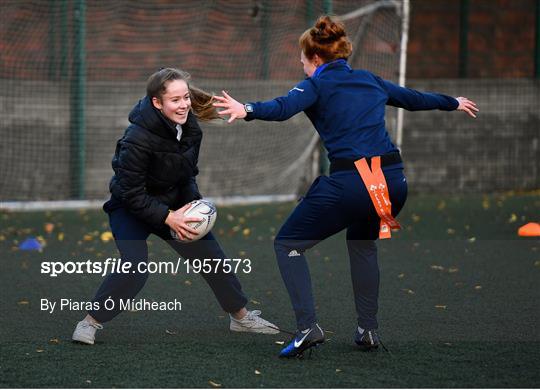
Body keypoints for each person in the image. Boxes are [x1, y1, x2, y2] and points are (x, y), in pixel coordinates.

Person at [213, 16, 478, 358]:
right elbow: (413, 98)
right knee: (362, 245)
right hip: (393, 183)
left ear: (317, 60)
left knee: (288, 244)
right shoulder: (370, 80)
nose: (301, 64)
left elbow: (281, 108)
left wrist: (245, 108)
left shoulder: (315, 85)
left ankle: (308, 328)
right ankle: (367, 330)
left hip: (354, 184)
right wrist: (452, 101)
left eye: (303, 59)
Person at [72, 68, 279, 345]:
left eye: (186, 98)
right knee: (134, 267)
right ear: (158, 103)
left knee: (212, 258)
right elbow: (131, 192)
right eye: (175, 100)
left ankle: (241, 318)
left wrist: (193, 205)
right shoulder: (136, 138)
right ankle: (90, 322)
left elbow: (187, 174)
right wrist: (168, 217)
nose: (183, 105)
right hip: (130, 208)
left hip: (174, 204)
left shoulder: (191, 129)